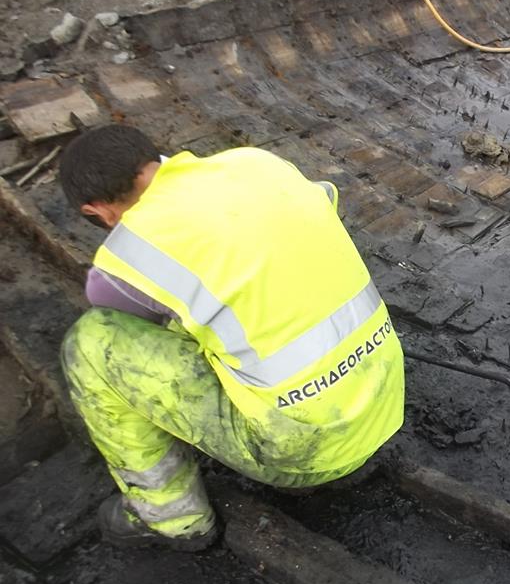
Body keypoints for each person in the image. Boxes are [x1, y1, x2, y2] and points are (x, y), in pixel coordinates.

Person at [58, 124, 405, 551]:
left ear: (98, 210)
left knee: (92, 343)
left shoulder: (128, 250)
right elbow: (324, 203)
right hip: (385, 399)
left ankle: (174, 517)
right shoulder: (255, 162)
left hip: (303, 450)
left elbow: (114, 311)